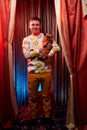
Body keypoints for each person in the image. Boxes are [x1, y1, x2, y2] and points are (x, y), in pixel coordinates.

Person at [22, 17, 60, 125]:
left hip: (46, 71)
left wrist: (48, 53)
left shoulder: (47, 37)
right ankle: (33, 118)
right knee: (33, 96)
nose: (35, 27)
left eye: (37, 25)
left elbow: (57, 48)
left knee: (46, 96)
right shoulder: (26, 40)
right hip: (32, 72)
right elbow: (26, 54)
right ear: (29, 26)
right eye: (33, 25)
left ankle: (47, 117)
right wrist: (39, 50)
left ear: (40, 26)